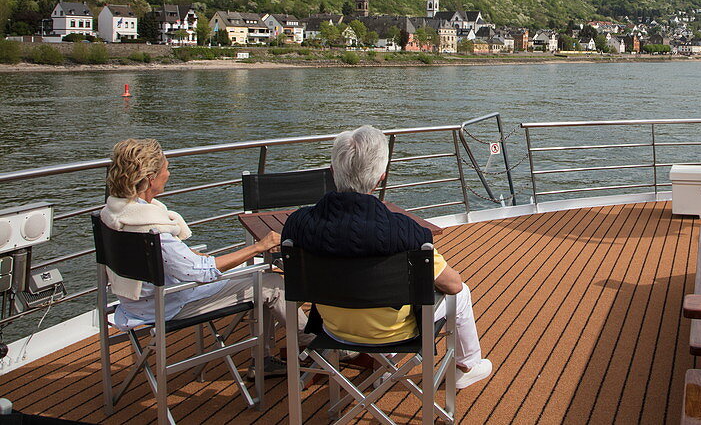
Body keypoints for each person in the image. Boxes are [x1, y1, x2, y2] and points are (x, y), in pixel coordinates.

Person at [281, 125, 492, 389]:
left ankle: (383, 364)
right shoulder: (406, 232)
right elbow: (452, 284)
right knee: (461, 293)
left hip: (332, 329)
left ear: (333, 171)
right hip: (395, 332)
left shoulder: (298, 225)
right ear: (381, 176)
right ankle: (468, 364)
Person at [100, 138, 305, 374]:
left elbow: (175, 260)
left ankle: (265, 358)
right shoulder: (152, 230)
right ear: (150, 178)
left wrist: (190, 254)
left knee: (259, 278)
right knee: (271, 283)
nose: (169, 173)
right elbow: (202, 271)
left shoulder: (114, 214)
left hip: (133, 304)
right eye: (166, 168)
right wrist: (259, 246)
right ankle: (312, 343)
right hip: (168, 305)